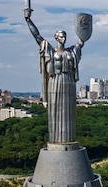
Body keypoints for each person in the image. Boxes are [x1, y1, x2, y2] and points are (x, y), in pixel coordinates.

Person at [24, 8, 84, 143]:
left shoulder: (71, 52)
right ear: (56, 38)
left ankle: (68, 139)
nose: (64, 38)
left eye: (65, 36)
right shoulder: (50, 50)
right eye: (61, 36)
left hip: (69, 82)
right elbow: (37, 36)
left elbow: (82, 40)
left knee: (69, 112)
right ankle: (55, 140)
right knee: (54, 110)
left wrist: (83, 25)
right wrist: (28, 20)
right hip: (55, 81)